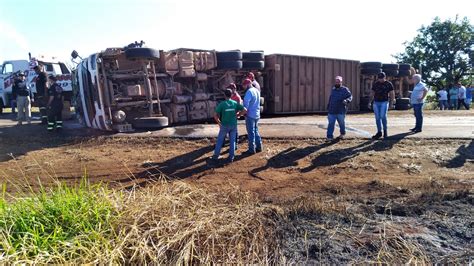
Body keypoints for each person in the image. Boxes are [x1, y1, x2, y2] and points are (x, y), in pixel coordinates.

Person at [209, 89, 247, 164]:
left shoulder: (222, 104)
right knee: (232, 141)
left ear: (224, 95)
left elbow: (215, 115)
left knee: (220, 140)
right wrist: (238, 115)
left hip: (224, 125)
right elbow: (245, 110)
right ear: (231, 95)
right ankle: (231, 157)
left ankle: (215, 156)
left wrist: (219, 123)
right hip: (233, 125)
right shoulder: (235, 103)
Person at [369, 72, 395, 139]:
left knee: (383, 116)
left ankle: (385, 131)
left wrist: (391, 103)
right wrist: (369, 102)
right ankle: (379, 132)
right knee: (377, 118)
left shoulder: (388, 84)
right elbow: (372, 93)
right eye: (379, 78)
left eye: (382, 78)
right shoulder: (376, 84)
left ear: (385, 77)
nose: (380, 79)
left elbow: (392, 94)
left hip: (384, 102)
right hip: (376, 102)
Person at [326, 76, 352, 140]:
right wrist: (328, 106)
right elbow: (331, 98)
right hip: (332, 110)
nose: (337, 83)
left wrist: (347, 100)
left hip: (341, 110)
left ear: (341, 82)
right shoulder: (333, 89)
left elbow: (350, 96)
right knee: (331, 123)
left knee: (341, 123)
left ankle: (342, 134)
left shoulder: (345, 89)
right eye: (336, 82)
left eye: (338, 82)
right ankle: (329, 136)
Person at [242, 78, 262, 154]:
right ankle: (259, 147)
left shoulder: (249, 92)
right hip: (257, 114)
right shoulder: (257, 90)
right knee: (256, 131)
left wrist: (241, 114)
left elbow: (245, 107)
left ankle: (251, 150)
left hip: (250, 115)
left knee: (251, 133)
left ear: (247, 84)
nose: (243, 87)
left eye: (244, 86)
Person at [227, 83, 242, 149]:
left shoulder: (237, 97)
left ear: (234, 89)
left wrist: (236, 115)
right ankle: (232, 143)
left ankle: (235, 144)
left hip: (234, 116)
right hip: (229, 116)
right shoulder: (231, 96)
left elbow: (238, 107)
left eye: (231, 88)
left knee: (234, 130)